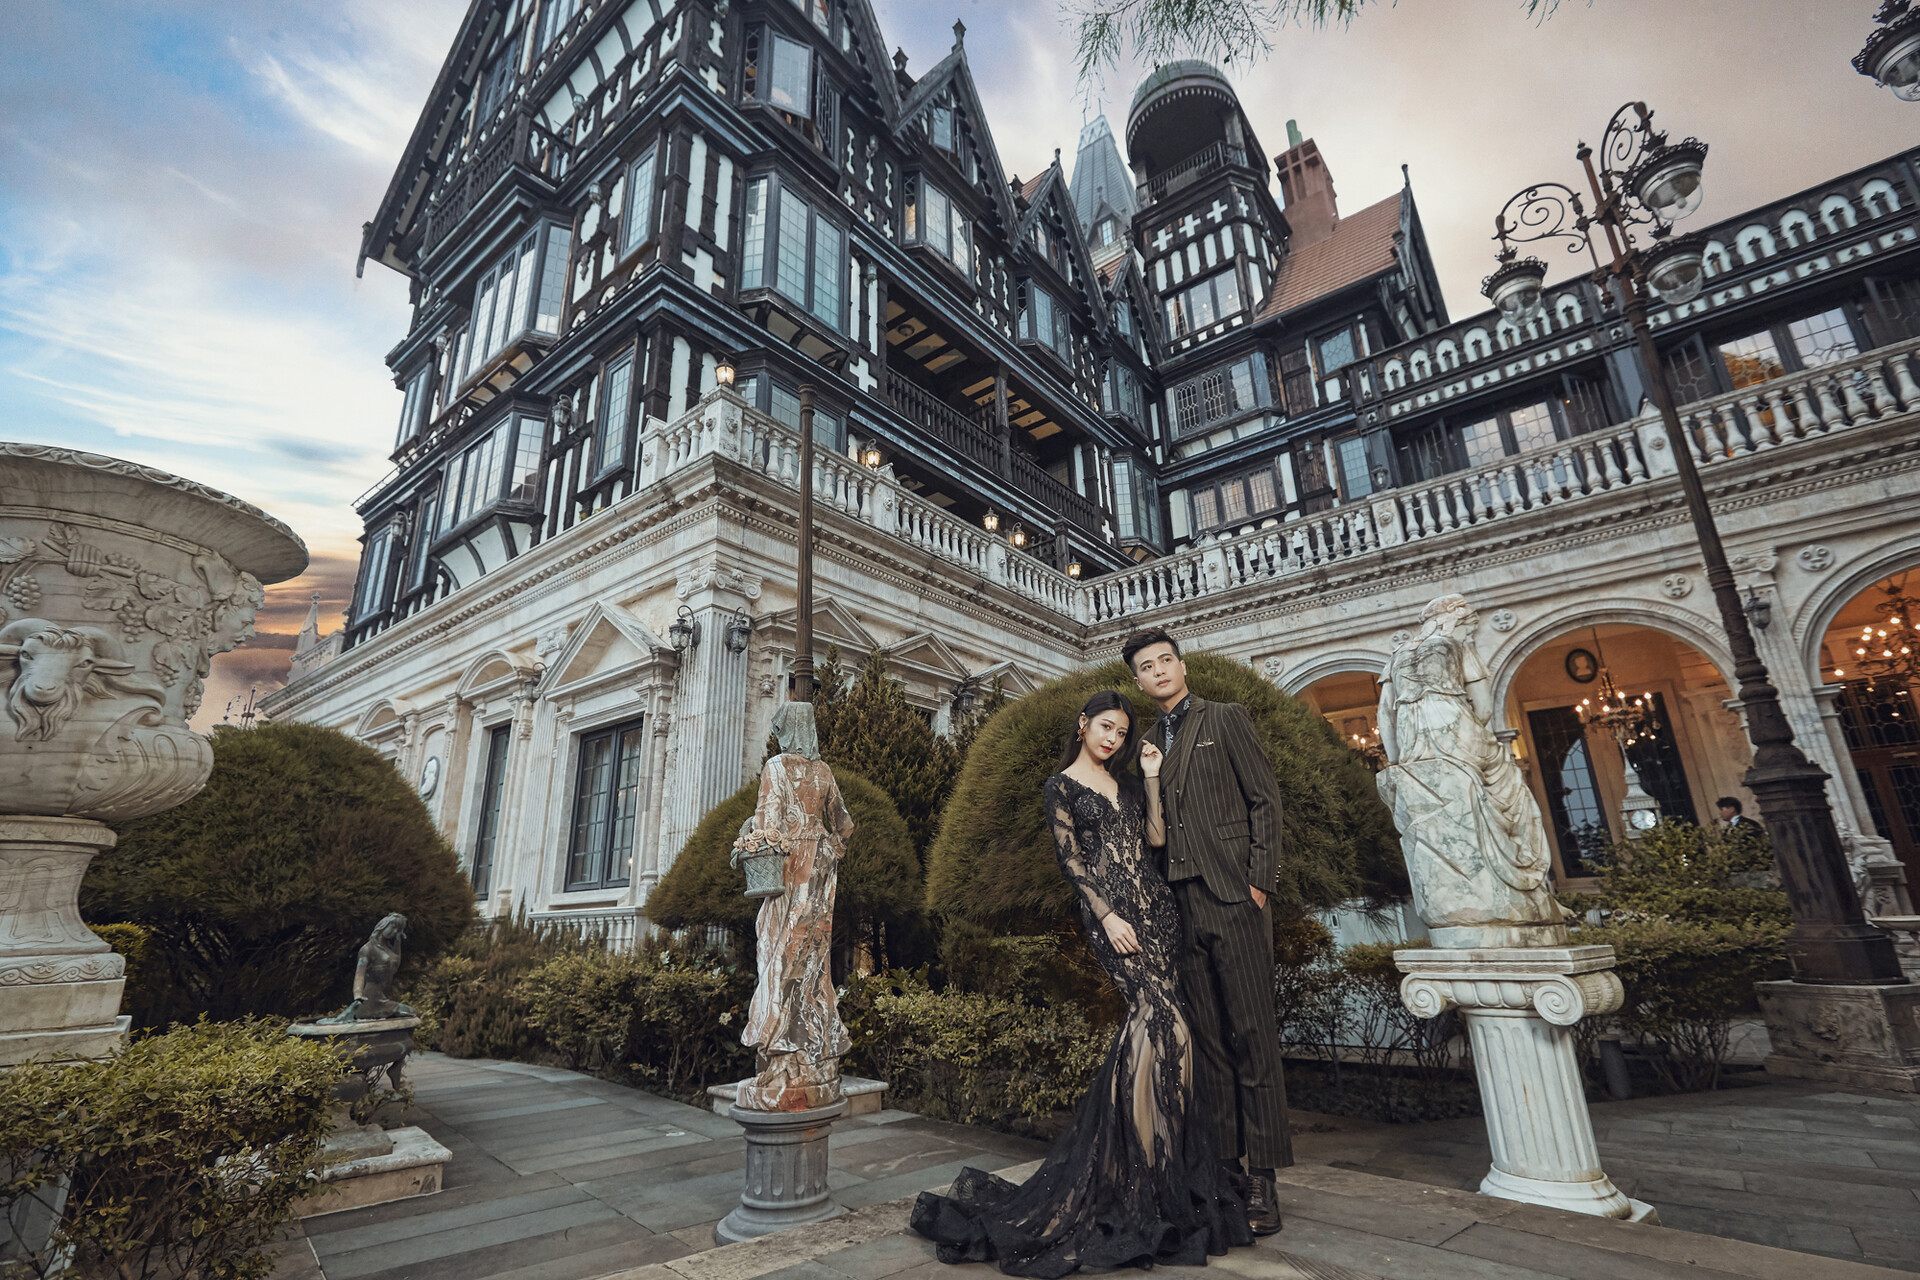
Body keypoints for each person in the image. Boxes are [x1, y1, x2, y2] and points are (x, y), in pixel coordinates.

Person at [911, 690, 1251, 1276]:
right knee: (1164, 1026)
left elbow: (1156, 840)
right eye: (1106, 727)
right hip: (1114, 920)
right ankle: (1138, 1169)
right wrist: (1108, 916)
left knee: (1160, 1035)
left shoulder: (1126, 783)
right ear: (1083, 724)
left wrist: (1151, 778)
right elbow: (1072, 863)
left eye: (1121, 732)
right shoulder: (1060, 787)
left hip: (1159, 914)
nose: (1113, 739)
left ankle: (1151, 1170)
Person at [1125, 629, 1288, 1237]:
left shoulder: (1226, 717)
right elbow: (1155, 830)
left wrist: (1260, 881)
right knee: (1210, 1043)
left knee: (1253, 1034)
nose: (1159, 670)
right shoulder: (1146, 744)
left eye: (1166, 660)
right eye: (1147, 666)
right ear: (1139, 681)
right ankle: (1225, 1169)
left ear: (1182, 665)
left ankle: (1264, 1176)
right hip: (1180, 905)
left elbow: (1264, 800)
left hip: (1233, 896)